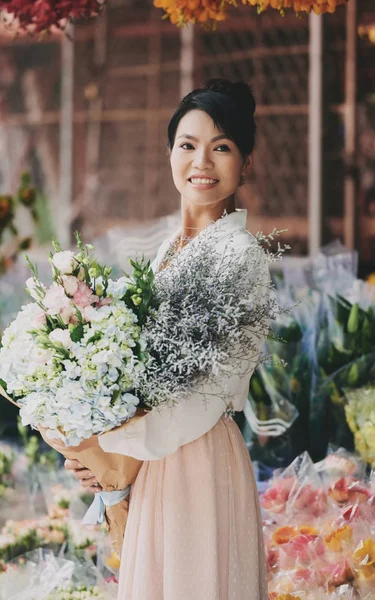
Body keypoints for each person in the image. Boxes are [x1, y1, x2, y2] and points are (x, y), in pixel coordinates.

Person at [51, 79, 270, 600]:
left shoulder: (239, 257)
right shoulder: (168, 247)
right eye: (188, 145)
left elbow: (202, 397)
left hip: (196, 457)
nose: (202, 161)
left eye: (222, 148)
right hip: (155, 460)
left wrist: (104, 447)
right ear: (170, 152)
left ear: (246, 163)